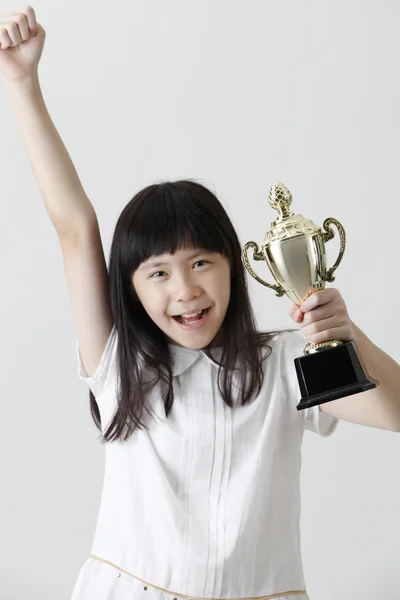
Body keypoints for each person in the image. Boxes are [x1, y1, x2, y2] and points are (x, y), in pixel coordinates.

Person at [1, 7, 400, 600]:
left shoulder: (287, 364)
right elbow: (76, 230)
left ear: (235, 269)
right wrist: (23, 84)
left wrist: (342, 331)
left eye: (200, 263)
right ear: (131, 290)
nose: (184, 289)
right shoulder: (121, 367)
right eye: (157, 272)